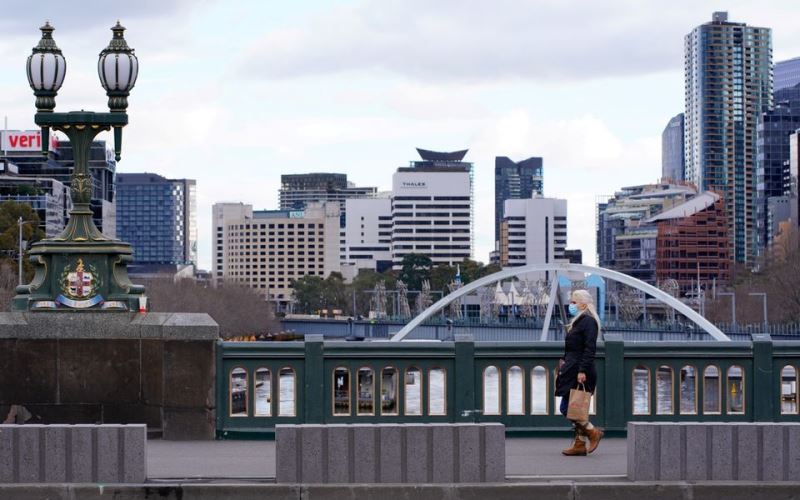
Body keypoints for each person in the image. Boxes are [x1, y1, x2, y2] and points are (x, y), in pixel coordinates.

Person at [555, 289, 604, 456]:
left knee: (567, 408)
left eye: (574, 302)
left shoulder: (588, 321)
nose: (571, 305)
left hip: (580, 371)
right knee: (577, 409)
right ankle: (580, 444)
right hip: (572, 369)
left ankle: (592, 432)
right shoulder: (578, 321)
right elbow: (574, 347)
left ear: (583, 304)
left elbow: (590, 348)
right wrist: (564, 360)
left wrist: (582, 370)